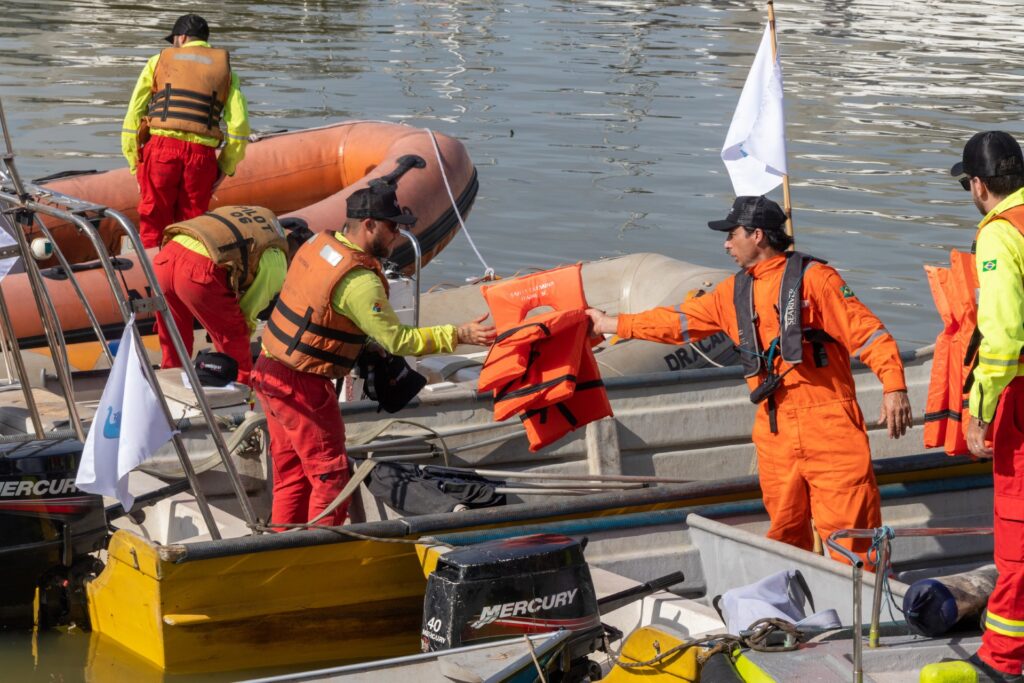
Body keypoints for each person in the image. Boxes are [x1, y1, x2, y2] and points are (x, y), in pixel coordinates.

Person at [587, 195, 912, 564]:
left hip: (830, 426)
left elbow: (869, 335)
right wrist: (609, 323)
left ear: (757, 235)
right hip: (775, 431)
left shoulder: (817, 280)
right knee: (785, 537)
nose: (726, 243)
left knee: (853, 541)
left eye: (731, 234)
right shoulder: (733, 292)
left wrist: (895, 386)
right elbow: (675, 322)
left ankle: (863, 615)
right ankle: (799, 618)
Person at [253, 184, 496, 527]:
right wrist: (460, 334)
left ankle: (282, 543)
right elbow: (398, 340)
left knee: (291, 474)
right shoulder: (359, 282)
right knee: (331, 476)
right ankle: (320, 554)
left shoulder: (318, 245)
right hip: (303, 386)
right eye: (393, 226)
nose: (399, 234)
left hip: (269, 370)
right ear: (369, 224)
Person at [943, 131, 1024, 683]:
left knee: (1016, 531)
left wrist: (979, 409)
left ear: (977, 185)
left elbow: (1002, 336)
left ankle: (1002, 661)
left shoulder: (999, 234)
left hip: (1019, 394)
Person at [121, 14, 250, 249]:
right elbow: (239, 126)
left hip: (161, 151)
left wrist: (134, 161)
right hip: (201, 158)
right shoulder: (227, 70)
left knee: (152, 220)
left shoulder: (158, 61)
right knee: (192, 226)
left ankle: (151, 275)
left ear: (181, 37)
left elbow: (133, 115)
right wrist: (226, 165)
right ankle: (183, 273)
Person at [153, 205, 309, 387]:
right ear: (297, 255)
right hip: (198, 271)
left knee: (174, 336)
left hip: (165, 257)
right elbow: (247, 312)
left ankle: (168, 397)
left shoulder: (264, 229)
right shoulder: (277, 263)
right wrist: (227, 332)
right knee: (236, 338)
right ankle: (242, 403)